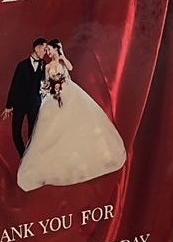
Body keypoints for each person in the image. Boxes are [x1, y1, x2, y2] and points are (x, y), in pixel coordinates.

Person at [17, 39, 127, 191]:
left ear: (56, 49)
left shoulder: (63, 63)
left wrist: (62, 57)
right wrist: (51, 89)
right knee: (52, 127)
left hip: (69, 93)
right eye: (46, 50)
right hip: (54, 97)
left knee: (76, 121)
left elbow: (70, 68)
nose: (48, 53)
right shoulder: (47, 67)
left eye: (49, 50)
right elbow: (46, 83)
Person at [2, 38, 48, 158]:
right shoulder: (22, 65)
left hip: (35, 104)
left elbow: (46, 84)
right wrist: (8, 106)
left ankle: (31, 160)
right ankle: (24, 158)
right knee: (16, 132)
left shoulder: (44, 65)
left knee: (33, 134)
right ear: (37, 48)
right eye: (44, 49)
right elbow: (14, 85)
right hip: (20, 104)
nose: (45, 52)